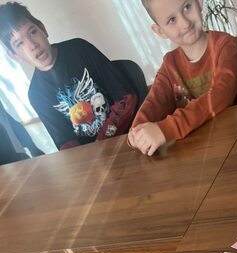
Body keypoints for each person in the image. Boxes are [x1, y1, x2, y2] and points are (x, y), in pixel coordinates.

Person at [0, 2, 137, 151]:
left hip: (131, 135)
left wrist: (103, 140)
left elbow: (126, 98)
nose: (32, 45)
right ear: (14, 55)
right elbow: (66, 144)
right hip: (93, 155)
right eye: (19, 44)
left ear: (43, 29)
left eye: (32, 32)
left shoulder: (79, 49)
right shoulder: (37, 95)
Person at [128, 0, 237, 156]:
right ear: (160, 31)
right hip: (199, 149)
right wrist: (137, 131)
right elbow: (154, 102)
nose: (185, 23)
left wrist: (167, 129)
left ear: (199, 2)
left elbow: (222, 95)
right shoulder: (169, 64)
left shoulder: (225, 45)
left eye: (187, 7)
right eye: (172, 20)